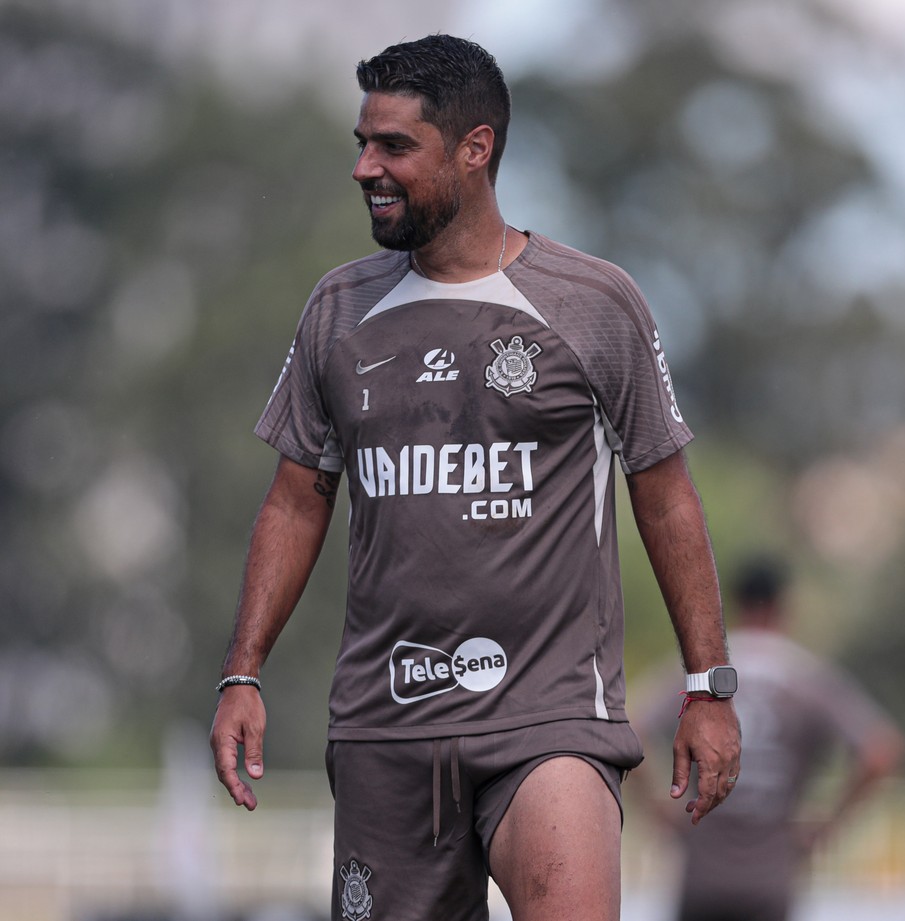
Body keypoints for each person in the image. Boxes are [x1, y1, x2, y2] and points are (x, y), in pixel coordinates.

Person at [209, 34, 740, 921]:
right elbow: (297, 502)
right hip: (385, 727)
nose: (365, 168)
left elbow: (665, 497)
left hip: (550, 715)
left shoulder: (593, 302)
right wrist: (243, 673)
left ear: (474, 148)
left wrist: (707, 686)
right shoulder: (338, 309)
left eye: (394, 147)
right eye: (362, 144)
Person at [633, 556, 905, 921]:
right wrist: (826, 825)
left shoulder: (701, 674)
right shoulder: (806, 677)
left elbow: (632, 726)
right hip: (771, 878)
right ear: (784, 606)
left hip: (702, 874)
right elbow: (881, 751)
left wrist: (659, 812)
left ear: (732, 603)